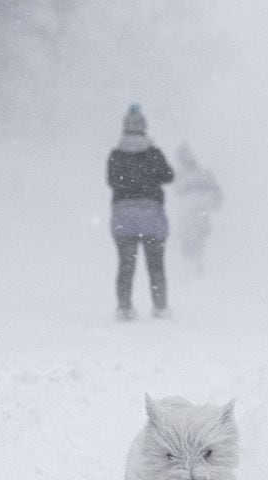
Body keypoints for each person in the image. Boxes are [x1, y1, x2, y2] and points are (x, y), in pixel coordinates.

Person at [107, 104, 175, 320]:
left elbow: (111, 181)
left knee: (126, 264)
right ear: (144, 127)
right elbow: (168, 176)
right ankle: (160, 306)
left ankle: (124, 307)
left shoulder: (116, 154)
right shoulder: (153, 153)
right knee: (155, 264)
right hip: (151, 213)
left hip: (123, 214)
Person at [173, 143, 222, 273]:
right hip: (188, 218)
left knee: (196, 243)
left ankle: (196, 270)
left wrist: (204, 203)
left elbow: (217, 196)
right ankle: (190, 270)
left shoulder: (202, 174)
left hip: (197, 216)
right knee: (189, 244)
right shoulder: (179, 176)